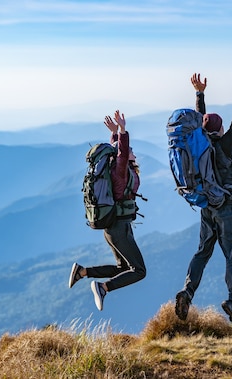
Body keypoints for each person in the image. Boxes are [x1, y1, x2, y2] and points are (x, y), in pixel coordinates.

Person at [175, 65, 232, 327]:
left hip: (207, 207)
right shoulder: (225, 145)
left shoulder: (201, 147)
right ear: (219, 130)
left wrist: (199, 95)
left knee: (202, 253)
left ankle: (187, 292)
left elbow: (199, 120)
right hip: (227, 209)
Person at [68, 110, 146, 311]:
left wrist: (114, 133)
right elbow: (120, 152)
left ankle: (83, 272)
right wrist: (122, 130)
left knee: (123, 268)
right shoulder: (121, 172)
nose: (133, 152)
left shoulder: (116, 171)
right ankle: (103, 287)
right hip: (119, 229)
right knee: (139, 271)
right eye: (131, 151)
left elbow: (116, 153)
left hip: (113, 229)